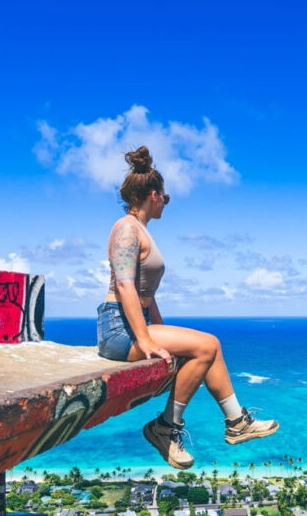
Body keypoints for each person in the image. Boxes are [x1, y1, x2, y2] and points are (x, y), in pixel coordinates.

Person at [97, 146, 279, 469]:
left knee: (210, 347)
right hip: (119, 329)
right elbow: (125, 286)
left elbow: (146, 296)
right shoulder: (126, 229)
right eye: (164, 198)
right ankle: (165, 428)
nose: (165, 203)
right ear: (153, 195)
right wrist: (146, 340)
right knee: (207, 345)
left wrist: (163, 333)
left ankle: (236, 422)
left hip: (133, 323)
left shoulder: (140, 232)